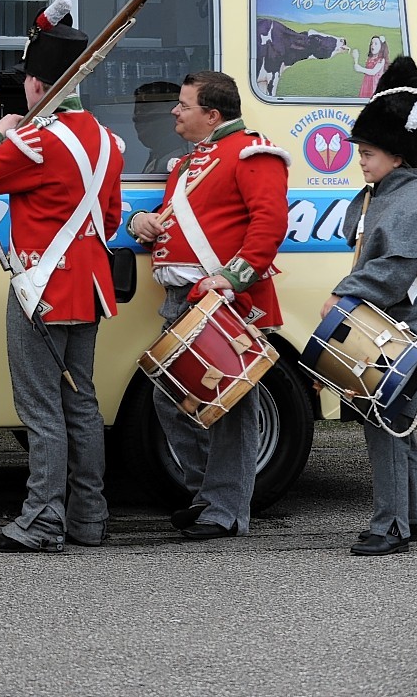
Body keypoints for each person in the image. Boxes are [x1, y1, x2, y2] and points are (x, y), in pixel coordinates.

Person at [0, 10, 124, 553]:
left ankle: (42, 520)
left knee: (41, 409)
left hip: (44, 288)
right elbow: (112, 219)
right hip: (89, 286)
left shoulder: (33, 141)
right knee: (81, 403)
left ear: (36, 83)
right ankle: (89, 518)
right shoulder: (108, 140)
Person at [126, 71, 290, 540]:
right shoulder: (187, 162)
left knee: (232, 408)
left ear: (212, 114)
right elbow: (179, 218)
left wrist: (231, 279)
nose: (175, 111)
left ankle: (226, 510)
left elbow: (269, 223)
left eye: (184, 104)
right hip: (185, 298)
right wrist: (144, 222)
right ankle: (206, 497)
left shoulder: (252, 152)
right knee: (172, 400)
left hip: (224, 298)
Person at [322, 56, 417, 556]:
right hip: (389, 325)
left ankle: (391, 526)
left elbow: (394, 271)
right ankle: (415, 518)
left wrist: (345, 293)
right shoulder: (389, 189)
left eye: (369, 152)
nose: (360, 159)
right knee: (395, 426)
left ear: (398, 155)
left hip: (403, 328)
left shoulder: (415, 201)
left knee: (386, 427)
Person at [131, 80, 189, 174]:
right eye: (136, 119)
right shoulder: (159, 155)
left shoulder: (176, 160)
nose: (138, 126)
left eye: (145, 119)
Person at [354, 35, 391, 99]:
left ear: (381, 47)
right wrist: (357, 65)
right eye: (371, 43)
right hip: (366, 84)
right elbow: (367, 71)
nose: (373, 46)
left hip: (374, 85)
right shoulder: (370, 59)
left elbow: (373, 72)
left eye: (376, 44)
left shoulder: (381, 60)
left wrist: (360, 69)